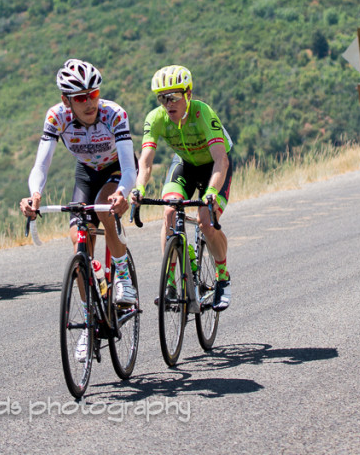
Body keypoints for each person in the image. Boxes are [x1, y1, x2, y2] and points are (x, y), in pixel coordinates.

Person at [20, 58, 137, 311]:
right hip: (85, 172)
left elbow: (129, 168)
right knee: (78, 241)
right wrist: (34, 195)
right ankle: (88, 319)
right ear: (66, 101)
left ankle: (124, 278)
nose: (90, 102)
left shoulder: (114, 114)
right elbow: (40, 166)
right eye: (81, 98)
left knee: (102, 207)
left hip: (115, 170)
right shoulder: (56, 117)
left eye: (93, 94)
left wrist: (122, 193)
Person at [132, 64, 233, 311]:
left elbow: (222, 159)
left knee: (206, 222)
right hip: (185, 165)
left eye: (174, 96)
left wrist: (210, 193)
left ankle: (222, 278)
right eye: (162, 98)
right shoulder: (155, 118)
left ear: (188, 93)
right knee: (168, 211)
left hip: (214, 167)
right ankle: (170, 282)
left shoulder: (202, 113)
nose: (168, 103)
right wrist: (139, 190)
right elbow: (145, 161)